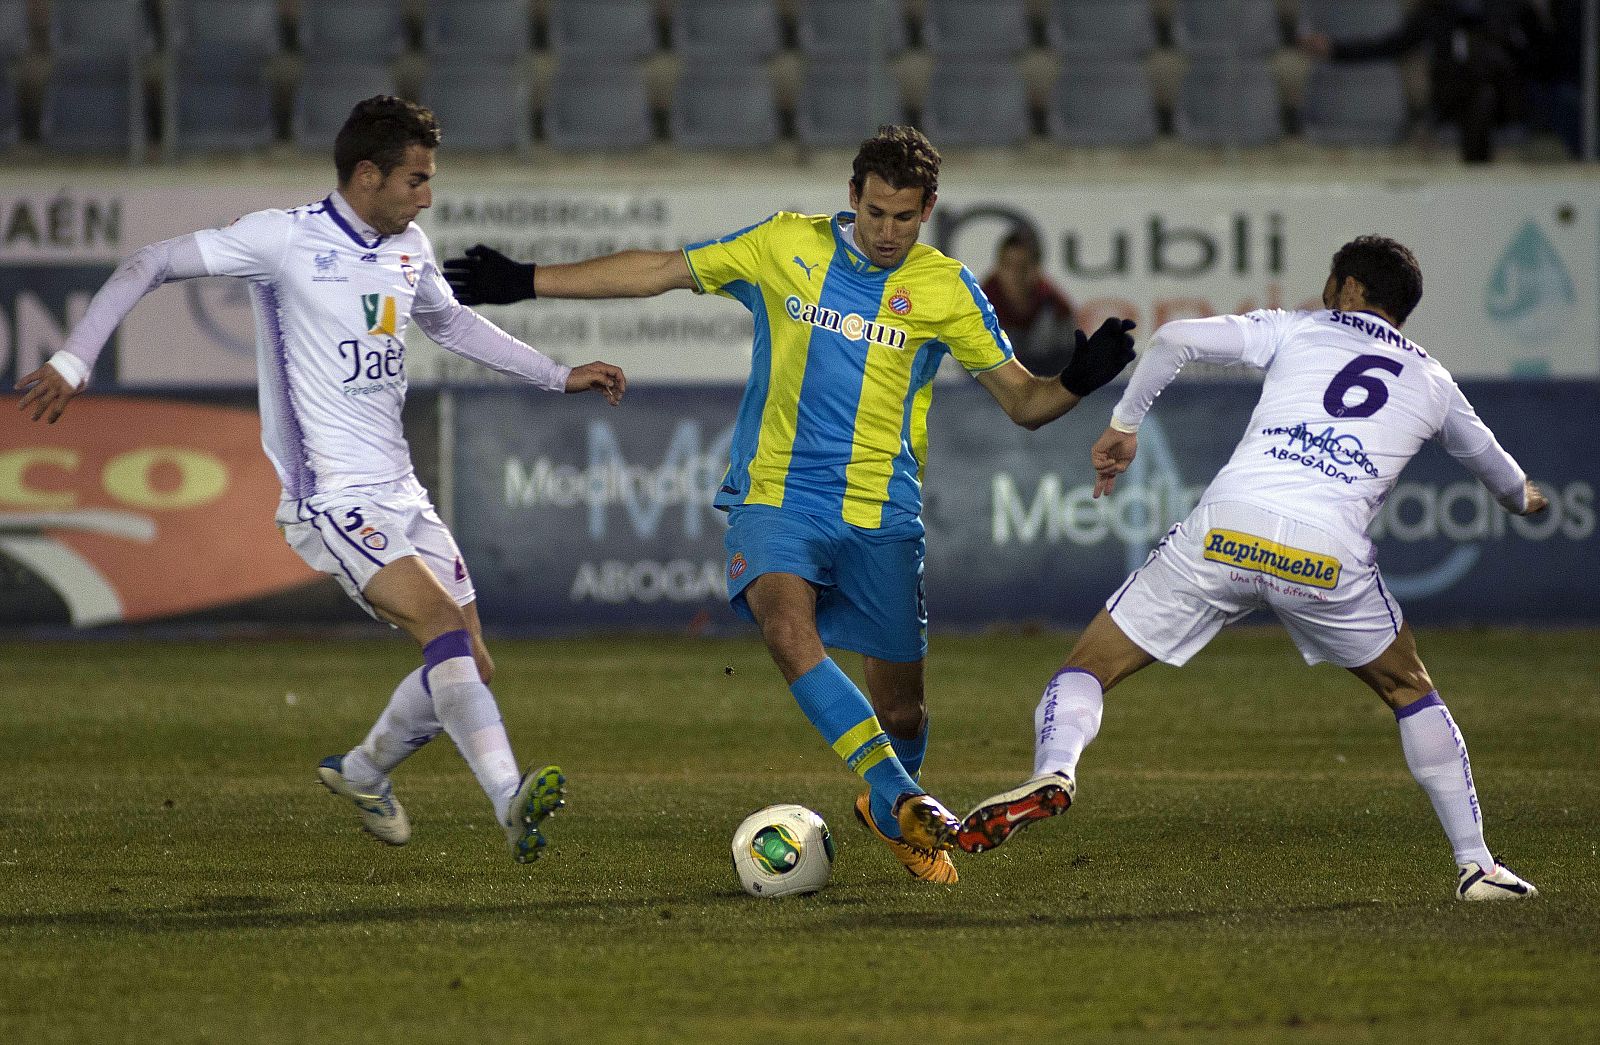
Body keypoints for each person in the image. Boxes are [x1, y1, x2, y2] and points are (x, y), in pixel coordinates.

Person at [442, 126, 1136, 884]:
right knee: (784, 623)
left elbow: (1025, 404)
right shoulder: (783, 245)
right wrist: (527, 279)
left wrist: (1078, 380)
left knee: (903, 713)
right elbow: (662, 270)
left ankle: (884, 802)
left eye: (905, 218)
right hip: (776, 495)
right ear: (851, 197)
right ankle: (909, 799)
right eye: (875, 213)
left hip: (882, 513)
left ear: (929, 210)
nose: (887, 232)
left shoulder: (946, 289)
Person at [14, 96, 628, 865]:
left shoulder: (409, 247)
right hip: (330, 498)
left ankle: (363, 768)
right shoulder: (283, 239)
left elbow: (450, 323)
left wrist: (556, 373)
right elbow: (151, 263)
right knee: (443, 631)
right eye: (415, 179)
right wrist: (74, 360)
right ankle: (508, 798)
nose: (427, 196)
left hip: (402, 490)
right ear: (367, 174)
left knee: (470, 658)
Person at [957, 235, 1546, 902]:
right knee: (1410, 689)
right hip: (1324, 555)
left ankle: (1056, 769)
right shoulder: (1435, 382)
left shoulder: (1300, 328)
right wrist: (1529, 498)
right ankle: (1476, 865)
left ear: (1349, 287)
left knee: (1086, 666)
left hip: (1227, 529)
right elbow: (1505, 480)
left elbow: (1176, 339)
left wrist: (1124, 424)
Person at [1298, 0, 1533, 163]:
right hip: (1456, 99)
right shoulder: (1437, 11)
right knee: (1476, 91)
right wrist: (1336, 49)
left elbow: (1539, 54)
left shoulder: (1510, 9)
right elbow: (1391, 45)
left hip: (1504, 98)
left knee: (1490, 80)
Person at [980, 225, 1077, 378]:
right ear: (998, 268)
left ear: (1037, 269)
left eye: (1023, 267)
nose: (1015, 275)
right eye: (1008, 266)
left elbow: (1069, 365)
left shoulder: (1058, 310)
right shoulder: (977, 309)